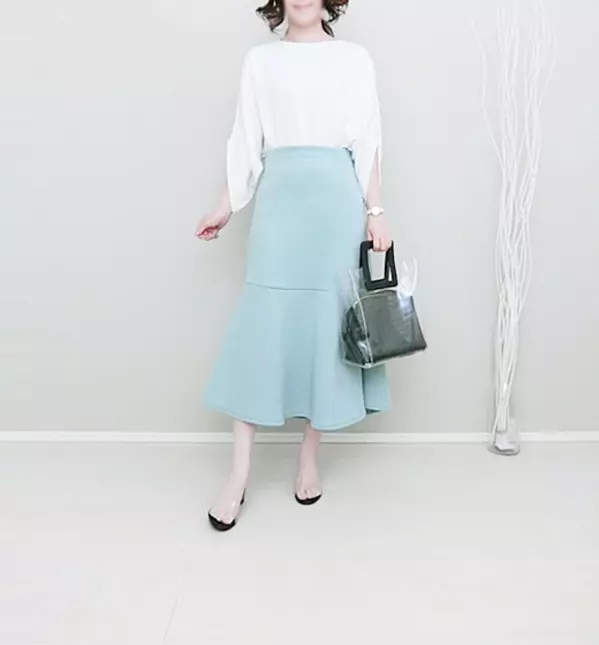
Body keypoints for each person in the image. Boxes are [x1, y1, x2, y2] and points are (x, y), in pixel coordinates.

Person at [196, 0, 391, 531]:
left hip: (336, 207)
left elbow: (368, 141)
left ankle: (309, 457)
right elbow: (245, 140)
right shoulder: (260, 61)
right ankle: (237, 477)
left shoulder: (354, 59)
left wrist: (375, 212)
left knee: (325, 331)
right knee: (260, 332)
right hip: (280, 205)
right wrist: (226, 205)